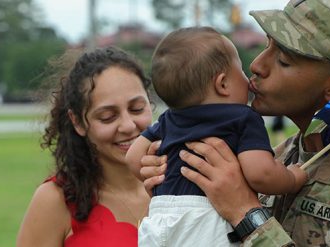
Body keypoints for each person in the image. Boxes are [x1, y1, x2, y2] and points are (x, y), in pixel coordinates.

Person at [140, 0, 330, 246]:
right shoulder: (280, 155)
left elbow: (243, 215)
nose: (257, 65)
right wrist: (172, 185)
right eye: (267, 45)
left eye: (284, 60)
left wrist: (246, 214)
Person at [125, 26, 307, 247]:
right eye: (239, 69)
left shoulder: (167, 119)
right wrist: (292, 179)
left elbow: (133, 158)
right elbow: (261, 173)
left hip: (159, 216)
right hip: (205, 217)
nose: (248, 75)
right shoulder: (242, 118)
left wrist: (156, 178)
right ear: (222, 84)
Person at [16, 47, 152, 246]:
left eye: (137, 109)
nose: (128, 125)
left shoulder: (183, 181)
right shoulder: (55, 201)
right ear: (78, 121)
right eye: (108, 117)